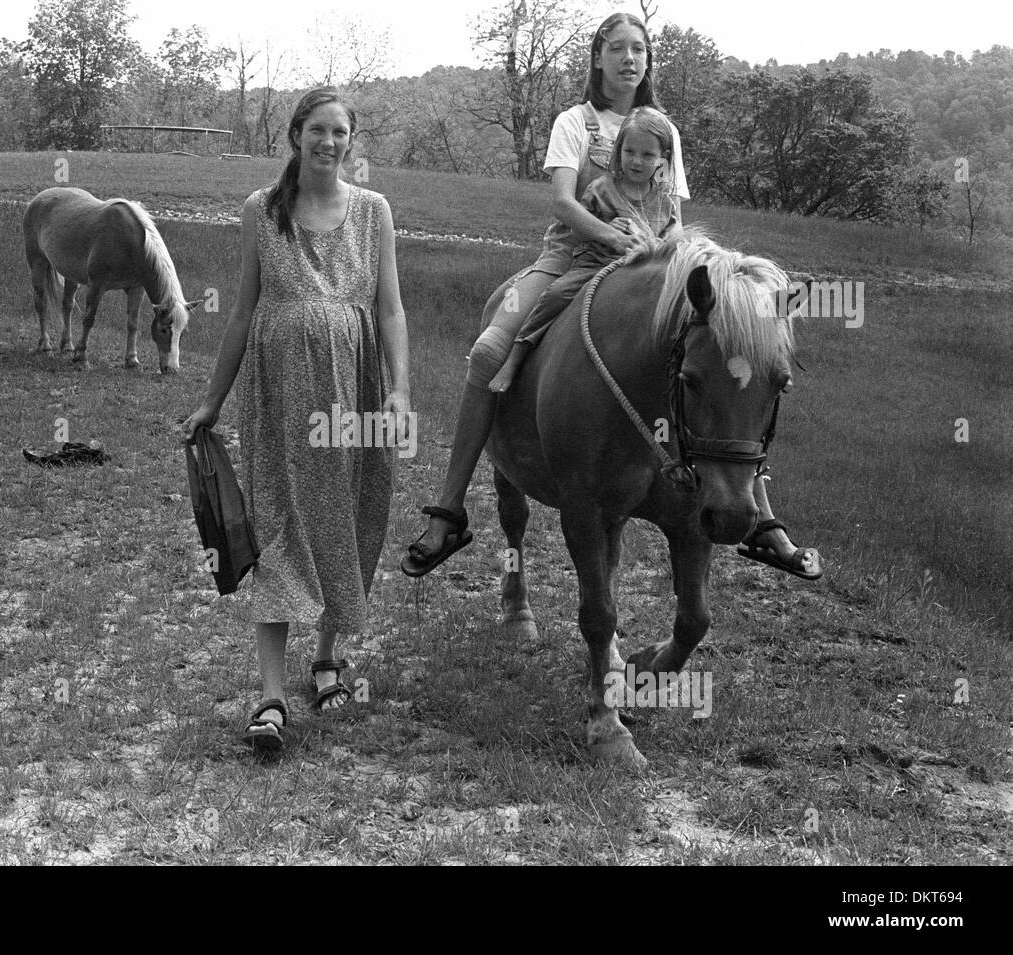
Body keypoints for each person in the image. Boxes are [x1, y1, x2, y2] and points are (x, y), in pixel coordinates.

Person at [401, 10, 821, 582]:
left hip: (651, 271)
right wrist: (614, 237)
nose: (629, 58)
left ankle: (764, 521)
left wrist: (672, 259)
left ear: (649, 61)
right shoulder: (575, 122)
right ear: (598, 57)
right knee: (485, 352)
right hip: (571, 257)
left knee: (732, 367)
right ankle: (449, 508)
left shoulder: (664, 130)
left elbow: (675, 213)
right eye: (617, 48)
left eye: (639, 50)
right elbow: (563, 203)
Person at [183, 87, 412, 755]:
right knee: (279, 525)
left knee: (340, 516)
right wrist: (212, 399)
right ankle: (270, 696)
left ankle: (328, 657)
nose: (330, 142)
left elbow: (392, 309)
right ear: (296, 134)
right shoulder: (262, 210)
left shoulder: (373, 212)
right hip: (279, 395)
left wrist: (399, 392)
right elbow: (243, 310)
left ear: (350, 140)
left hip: (353, 390)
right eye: (319, 129)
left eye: (341, 132)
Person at [489, 106, 681, 393]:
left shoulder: (664, 201)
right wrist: (608, 230)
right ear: (618, 152)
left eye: (647, 155)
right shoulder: (601, 188)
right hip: (595, 265)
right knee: (555, 294)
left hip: (641, 274)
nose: (636, 161)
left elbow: (672, 239)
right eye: (629, 152)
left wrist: (657, 244)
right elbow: (577, 230)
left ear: (662, 161)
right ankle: (516, 357)